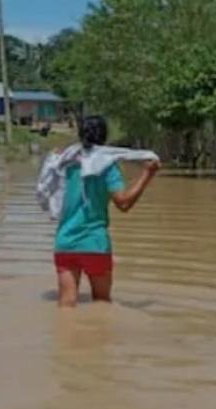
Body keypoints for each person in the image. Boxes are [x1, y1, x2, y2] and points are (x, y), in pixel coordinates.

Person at [49, 115, 159, 307]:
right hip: (95, 243)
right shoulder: (108, 167)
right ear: (104, 137)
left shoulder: (65, 163)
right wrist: (147, 175)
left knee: (66, 304)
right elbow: (123, 204)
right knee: (101, 304)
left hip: (65, 242)